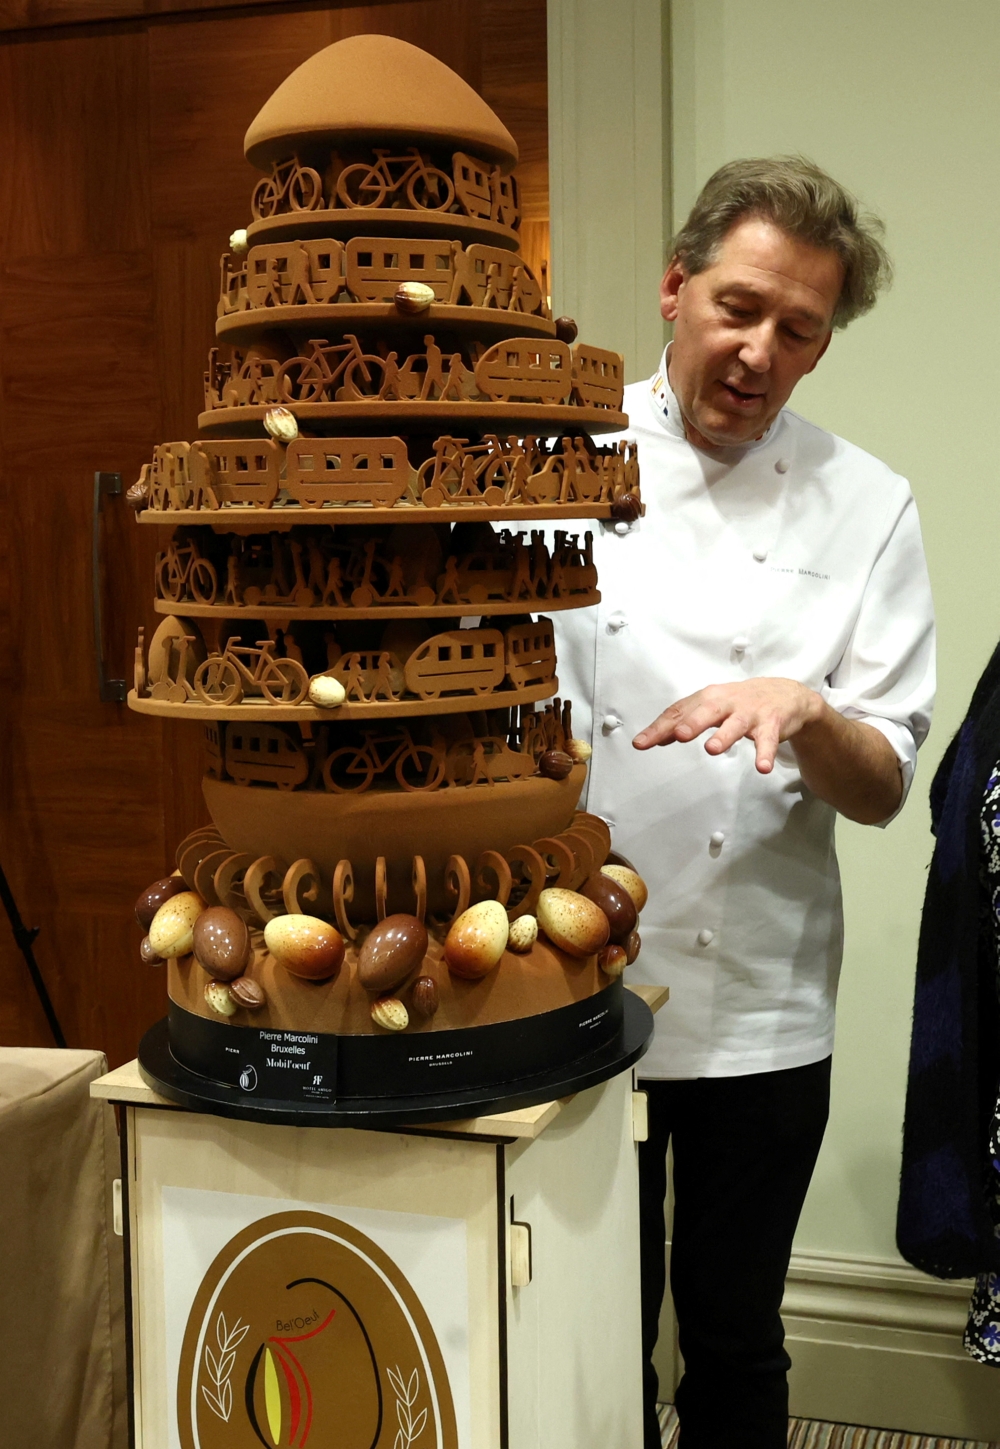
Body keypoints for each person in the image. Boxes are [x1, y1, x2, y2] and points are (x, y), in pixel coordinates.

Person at [552, 157, 936, 1448]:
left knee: (732, 1339)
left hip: (759, 1006)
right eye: (738, 306)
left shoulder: (869, 506)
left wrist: (814, 715)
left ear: (824, 345)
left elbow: (884, 788)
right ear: (675, 284)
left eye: (799, 329)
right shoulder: (556, 454)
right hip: (573, 988)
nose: (759, 350)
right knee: (579, 1339)